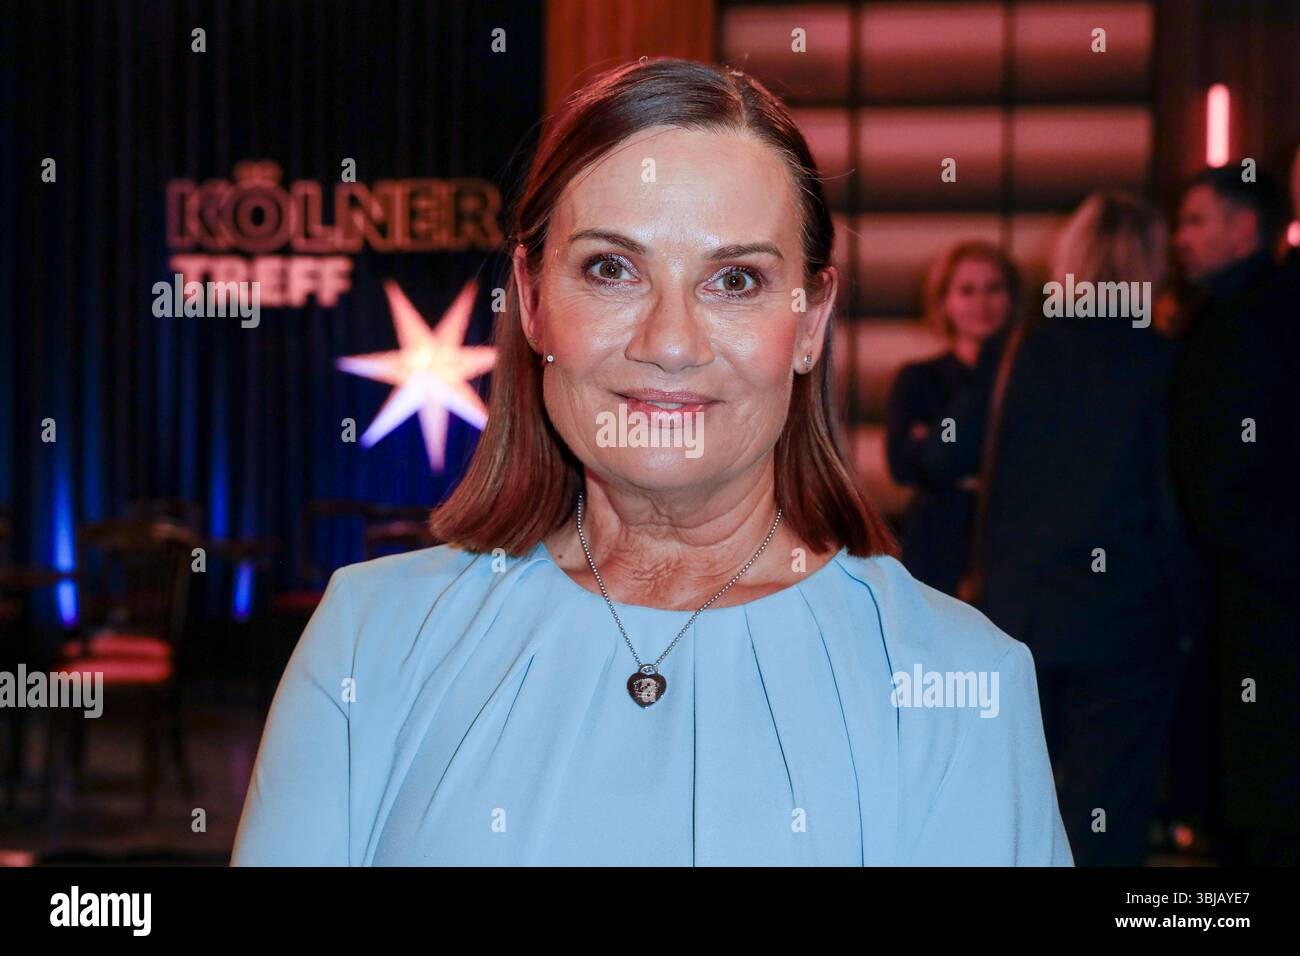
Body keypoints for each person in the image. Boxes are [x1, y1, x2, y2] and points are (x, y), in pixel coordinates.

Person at [231, 57, 1071, 866]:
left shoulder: (958, 678)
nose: (670, 342)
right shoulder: (371, 636)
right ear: (533, 301)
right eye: (612, 269)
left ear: (811, 322)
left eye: (735, 280)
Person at [917, 191, 1199, 865]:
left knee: (1013, 805)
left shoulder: (1020, 351)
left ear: (1070, 259)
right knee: (1108, 811)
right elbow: (1176, 501)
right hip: (1127, 616)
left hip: (1021, 613)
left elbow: (943, 457)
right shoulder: (1168, 361)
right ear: (1150, 263)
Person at [1168, 165, 1300, 865]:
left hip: (1254, 590)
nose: (1180, 238)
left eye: (1195, 220)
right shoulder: (1238, 311)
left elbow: (1220, 474)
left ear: (1243, 226)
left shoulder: (1243, 319)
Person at [885, 241, 1018, 596]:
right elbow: (903, 466)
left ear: (1011, 298)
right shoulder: (918, 378)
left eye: (994, 288)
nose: (981, 303)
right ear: (944, 301)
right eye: (967, 291)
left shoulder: (1031, 380)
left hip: (1010, 541)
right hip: (937, 542)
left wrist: (936, 444)